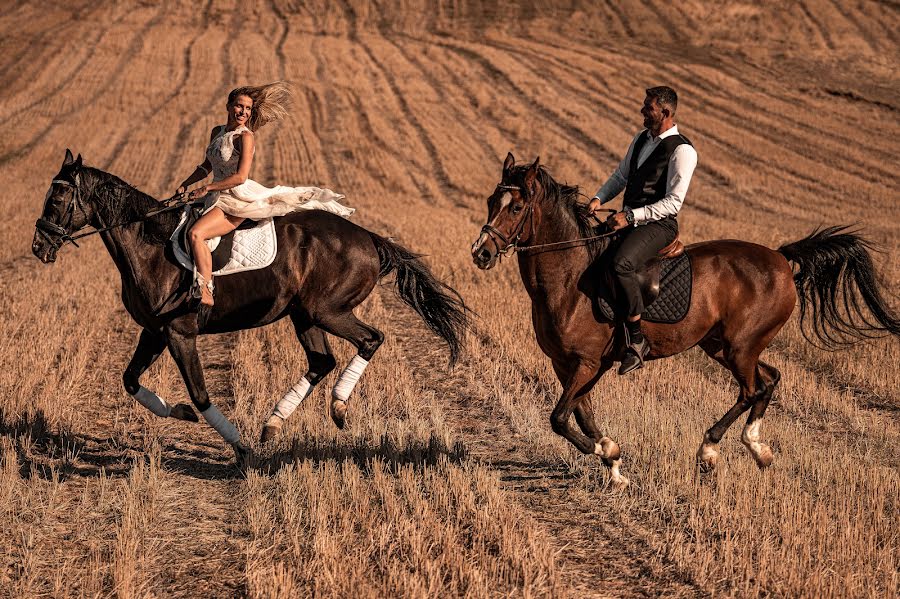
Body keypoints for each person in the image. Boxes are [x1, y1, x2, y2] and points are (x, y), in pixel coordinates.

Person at [175, 82, 354, 307]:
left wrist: (208, 187)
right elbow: (206, 166)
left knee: (196, 234)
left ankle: (205, 289)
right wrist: (186, 183)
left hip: (236, 199)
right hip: (215, 195)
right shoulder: (217, 132)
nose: (243, 112)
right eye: (239, 106)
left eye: (248, 109)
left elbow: (240, 177)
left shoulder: (245, 137)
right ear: (228, 106)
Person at [588, 86, 698, 375]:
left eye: (647, 107)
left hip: (659, 225)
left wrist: (630, 216)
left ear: (665, 112)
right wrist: (599, 198)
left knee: (621, 263)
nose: (641, 111)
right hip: (630, 218)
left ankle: (636, 341)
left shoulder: (682, 150)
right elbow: (621, 176)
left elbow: (673, 203)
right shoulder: (640, 139)